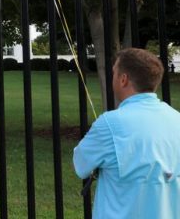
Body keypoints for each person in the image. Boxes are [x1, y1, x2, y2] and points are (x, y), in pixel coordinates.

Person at [73, 48, 180, 218]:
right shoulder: (177, 119)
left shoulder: (109, 123)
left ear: (123, 79)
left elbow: (81, 165)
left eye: (114, 72)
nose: (112, 77)